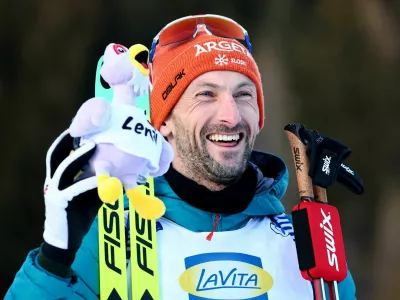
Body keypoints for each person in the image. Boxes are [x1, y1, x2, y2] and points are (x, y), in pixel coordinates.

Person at [5, 14, 357, 299]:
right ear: (165, 122)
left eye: (244, 94)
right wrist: (53, 263)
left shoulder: (308, 246)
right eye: (206, 94)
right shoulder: (112, 240)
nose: (231, 116)